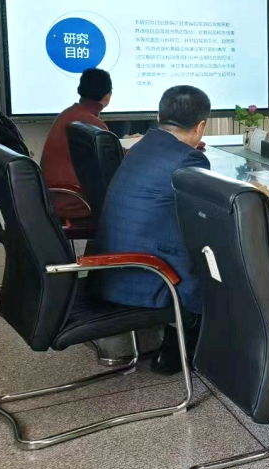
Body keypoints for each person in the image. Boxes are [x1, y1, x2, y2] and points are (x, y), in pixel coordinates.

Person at [90, 85, 211, 373]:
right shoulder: (189, 158)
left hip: (111, 268)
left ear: (159, 117)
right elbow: (206, 219)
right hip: (148, 276)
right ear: (201, 126)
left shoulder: (142, 146)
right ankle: (184, 345)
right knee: (220, 256)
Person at [40, 67, 112, 220]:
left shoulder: (69, 114)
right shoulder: (92, 124)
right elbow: (111, 163)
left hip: (56, 196)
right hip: (75, 200)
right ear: (107, 96)